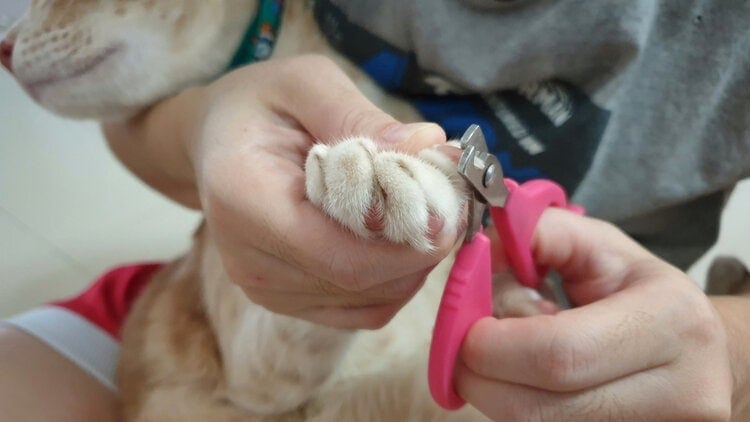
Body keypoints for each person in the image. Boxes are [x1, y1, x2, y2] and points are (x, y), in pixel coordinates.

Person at [3, 0, 750, 419]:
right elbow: (126, 117)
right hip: (200, 322)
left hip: (584, 380)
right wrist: (206, 129)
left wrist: (718, 343)